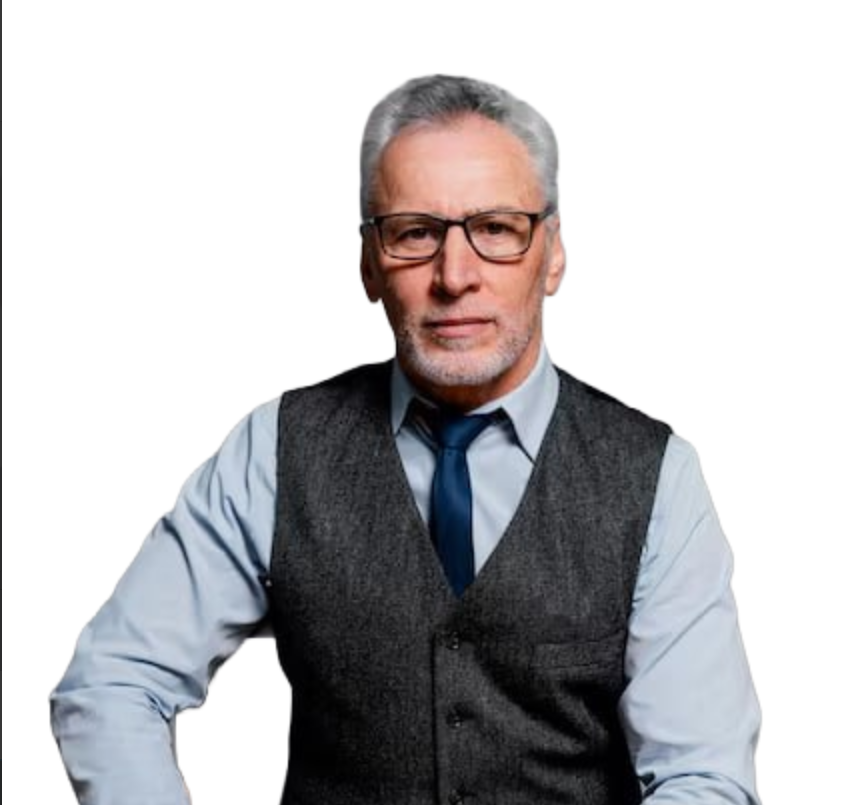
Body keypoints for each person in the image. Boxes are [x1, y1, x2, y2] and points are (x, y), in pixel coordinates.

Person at [50, 74, 762, 804]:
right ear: (369, 262)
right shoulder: (275, 452)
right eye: (415, 233)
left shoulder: (654, 477)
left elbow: (702, 777)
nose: (455, 276)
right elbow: (113, 681)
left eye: (496, 229)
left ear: (551, 252)